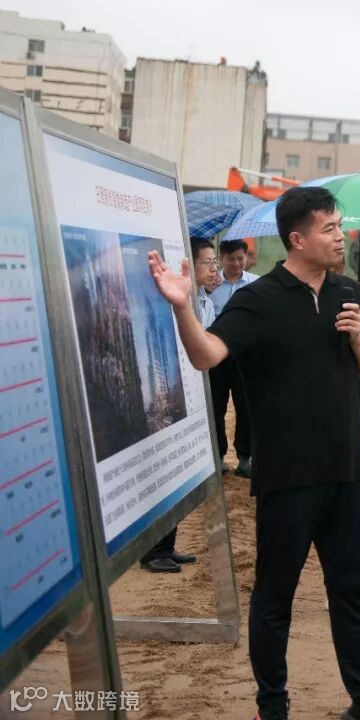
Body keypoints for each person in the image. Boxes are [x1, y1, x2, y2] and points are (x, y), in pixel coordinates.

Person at [147, 186, 360, 720]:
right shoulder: (258, 300)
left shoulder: (349, 292)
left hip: (349, 473)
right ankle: (272, 705)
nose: (341, 236)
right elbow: (206, 355)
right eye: (330, 228)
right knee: (275, 598)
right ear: (297, 239)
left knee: (352, 594)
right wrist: (182, 306)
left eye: (340, 225)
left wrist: (358, 338)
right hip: (287, 478)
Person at [139, 237, 213, 574]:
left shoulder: (203, 300)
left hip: (190, 396)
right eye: (206, 262)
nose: (213, 268)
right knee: (163, 473)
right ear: (190, 265)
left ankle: (166, 545)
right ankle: (154, 550)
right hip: (173, 394)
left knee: (178, 472)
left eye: (213, 262)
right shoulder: (174, 300)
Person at [209, 239, 259, 477]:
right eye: (231, 259)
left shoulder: (257, 284)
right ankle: (217, 457)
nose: (237, 264)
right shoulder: (210, 285)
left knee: (246, 406)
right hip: (216, 356)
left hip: (245, 356)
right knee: (215, 406)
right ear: (222, 258)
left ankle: (245, 458)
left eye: (240, 258)